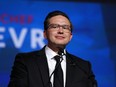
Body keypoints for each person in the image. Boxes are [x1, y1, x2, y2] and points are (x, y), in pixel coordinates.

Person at [8, 10, 97, 87]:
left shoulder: (83, 67)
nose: (61, 31)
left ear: (70, 36)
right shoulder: (25, 61)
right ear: (45, 34)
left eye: (65, 27)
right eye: (54, 26)